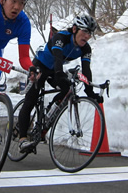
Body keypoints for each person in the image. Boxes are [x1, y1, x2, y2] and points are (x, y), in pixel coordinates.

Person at [17, 14, 101, 152]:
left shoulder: (86, 49)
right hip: (40, 67)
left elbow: (86, 70)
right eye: (85, 31)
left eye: (90, 33)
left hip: (53, 70)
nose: (87, 36)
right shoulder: (61, 37)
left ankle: (49, 113)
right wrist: (59, 73)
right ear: (74, 29)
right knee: (30, 100)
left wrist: (90, 92)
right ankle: (22, 139)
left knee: (67, 89)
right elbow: (57, 58)